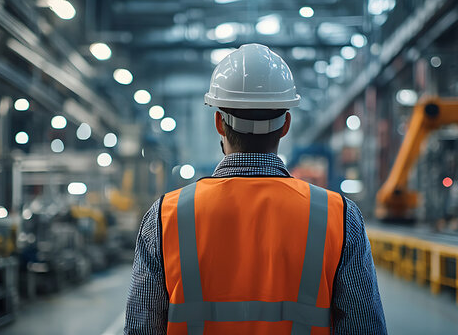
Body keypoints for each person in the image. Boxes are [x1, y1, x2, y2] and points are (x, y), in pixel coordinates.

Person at [124, 43, 387, 334]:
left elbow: (141, 328)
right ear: (286, 124)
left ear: (218, 124)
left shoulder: (164, 218)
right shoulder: (339, 217)